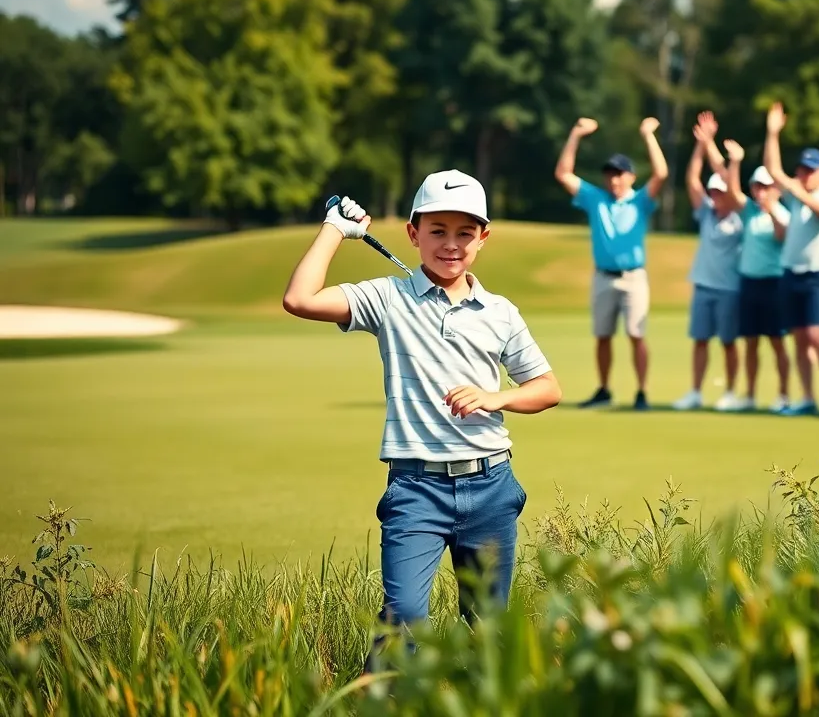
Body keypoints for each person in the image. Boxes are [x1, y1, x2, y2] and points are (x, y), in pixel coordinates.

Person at [281, 172, 562, 655]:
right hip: (416, 490)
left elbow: (547, 388)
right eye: (437, 231)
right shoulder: (388, 298)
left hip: (491, 485)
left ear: (483, 238)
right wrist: (334, 229)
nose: (450, 244)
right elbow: (299, 300)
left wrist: (497, 398)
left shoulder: (500, 311)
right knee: (405, 619)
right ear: (413, 234)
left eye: (464, 233)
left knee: (488, 627)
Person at [555, 117, 669, 411]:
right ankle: (604, 389)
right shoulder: (596, 199)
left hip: (633, 277)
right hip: (604, 277)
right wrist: (576, 134)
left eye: (619, 175)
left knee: (636, 334)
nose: (614, 180)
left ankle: (642, 392)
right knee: (602, 336)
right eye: (610, 175)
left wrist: (647, 136)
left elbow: (661, 173)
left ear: (631, 177)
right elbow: (563, 173)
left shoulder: (640, 200)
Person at [763, 102, 819, 417]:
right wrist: (772, 133)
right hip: (791, 274)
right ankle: (808, 397)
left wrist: (794, 188)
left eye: (811, 170)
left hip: (817, 277)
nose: (804, 175)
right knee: (799, 339)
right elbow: (773, 171)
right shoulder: (797, 196)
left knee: (815, 334)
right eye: (801, 170)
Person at [700, 118, 792, 411]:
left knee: (777, 343)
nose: (761, 192)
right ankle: (750, 393)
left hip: (774, 284)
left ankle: (783, 394)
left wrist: (773, 209)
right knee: (751, 342)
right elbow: (730, 186)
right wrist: (734, 161)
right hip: (748, 283)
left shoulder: (783, 214)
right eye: (758, 187)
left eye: (766, 187)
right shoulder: (749, 210)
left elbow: (782, 236)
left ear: (775, 189)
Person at [673, 112, 746, 411]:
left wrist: (723, 154)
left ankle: (730, 391)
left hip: (730, 288)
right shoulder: (706, 212)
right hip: (703, 285)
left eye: (720, 191)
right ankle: (695, 391)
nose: (715, 196)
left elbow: (732, 183)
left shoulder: (741, 216)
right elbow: (691, 179)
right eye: (713, 191)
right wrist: (701, 146)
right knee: (700, 340)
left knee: (728, 342)